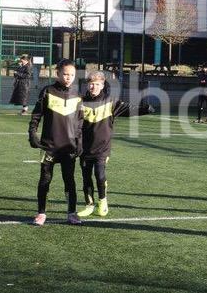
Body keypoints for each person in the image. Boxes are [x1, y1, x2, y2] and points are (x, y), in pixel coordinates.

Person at [77, 71, 154, 218]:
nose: (94, 87)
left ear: (102, 85)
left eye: (97, 84)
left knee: (99, 175)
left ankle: (102, 201)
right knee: (86, 177)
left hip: (102, 148)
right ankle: (89, 205)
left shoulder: (110, 101)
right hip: (84, 148)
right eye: (91, 84)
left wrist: (145, 109)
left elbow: (128, 109)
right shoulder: (80, 102)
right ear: (87, 85)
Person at [28, 59, 84, 226]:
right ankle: (41, 213)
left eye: (72, 75)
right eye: (65, 74)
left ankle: (72, 213)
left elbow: (80, 123)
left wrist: (79, 142)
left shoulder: (78, 95)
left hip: (69, 147)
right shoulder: (48, 91)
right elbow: (36, 115)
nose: (68, 77)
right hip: (49, 146)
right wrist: (32, 134)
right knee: (45, 179)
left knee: (69, 180)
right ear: (57, 73)